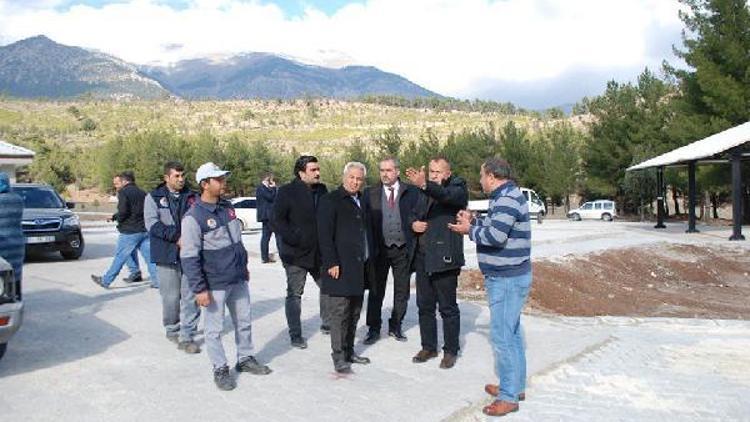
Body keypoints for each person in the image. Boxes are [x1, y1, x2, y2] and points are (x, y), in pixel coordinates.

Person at [449, 157, 531, 417]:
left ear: (493, 176)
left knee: (503, 337)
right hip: (510, 276)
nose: (481, 180)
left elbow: (495, 237)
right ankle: (514, 386)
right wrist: (473, 222)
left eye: (482, 175)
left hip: (506, 279)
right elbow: (497, 228)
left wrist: (467, 231)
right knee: (513, 332)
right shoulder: (506, 196)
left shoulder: (505, 199)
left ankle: (509, 397)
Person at [180, 162, 271, 391]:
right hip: (214, 283)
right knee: (214, 329)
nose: (223, 183)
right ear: (204, 184)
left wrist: (244, 269)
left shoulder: (227, 208)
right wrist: (199, 289)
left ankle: (245, 358)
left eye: (223, 178)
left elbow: (237, 243)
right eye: (218, 179)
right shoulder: (193, 218)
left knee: (244, 322)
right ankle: (220, 368)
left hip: (238, 278)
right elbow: (189, 258)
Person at [405, 157, 467, 369]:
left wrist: (424, 184)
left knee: (448, 308)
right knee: (425, 306)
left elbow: (446, 195)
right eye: (431, 171)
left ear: (448, 174)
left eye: (438, 172)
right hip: (423, 258)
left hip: (444, 258)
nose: (433, 175)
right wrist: (414, 224)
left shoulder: (457, 187)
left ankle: (451, 350)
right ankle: (429, 346)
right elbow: (412, 214)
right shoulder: (422, 192)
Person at [317, 162, 374, 374]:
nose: (355, 182)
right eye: (351, 177)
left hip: (359, 266)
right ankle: (338, 356)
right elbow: (324, 235)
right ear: (344, 177)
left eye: (359, 179)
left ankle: (350, 351)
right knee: (339, 313)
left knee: (354, 312)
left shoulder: (362, 201)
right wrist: (331, 262)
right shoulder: (330, 200)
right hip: (339, 267)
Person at [271, 155, 330, 349]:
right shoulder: (287, 192)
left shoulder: (322, 190)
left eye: (318, 169)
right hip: (295, 254)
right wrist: (295, 238)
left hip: (319, 252)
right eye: (313, 170)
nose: (318, 173)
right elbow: (277, 221)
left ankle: (328, 323)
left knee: (329, 287)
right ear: (301, 173)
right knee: (295, 294)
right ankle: (295, 334)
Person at [143, 161, 201, 353]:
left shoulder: (192, 196)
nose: (181, 179)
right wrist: (176, 237)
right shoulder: (153, 197)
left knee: (191, 295)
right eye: (176, 176)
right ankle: (172, 329)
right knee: (170, 297)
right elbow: (152, 225)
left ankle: (187, 335)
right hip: (166, 255)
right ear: (166, 178)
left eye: (182, 175)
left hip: (190, 255)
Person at [363, 157, 418, 344]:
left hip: (402, 249)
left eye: (388, 170)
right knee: (376, 290)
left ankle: (396, 325)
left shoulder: (410, 192)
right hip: (379, 250)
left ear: (397, 172)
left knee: (402, 290)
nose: (384, 174)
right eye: (382, 170)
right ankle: (373, 328)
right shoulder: (370, 193)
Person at [92, 171, 158, 289]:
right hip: (144, 230)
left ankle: (106, 280)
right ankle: (157, 281)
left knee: (120, 256)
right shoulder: (143, 193)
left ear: (125, 181)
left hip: (130, 231)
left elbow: (123, 211)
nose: (116, 186)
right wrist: (114, 217)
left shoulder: (123, 192)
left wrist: (119, 222)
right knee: (149, 257)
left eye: (117, 183)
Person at [255, 172, 280, 263]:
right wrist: (274, 188)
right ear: (267, 179)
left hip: (269, 216)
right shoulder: (261, 188)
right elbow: (271, 197)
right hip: (268, 216)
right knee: (276, 236)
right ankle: (265, 257)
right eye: (270, 180)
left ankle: (265, 257)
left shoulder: (265, 188)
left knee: (267, 237)